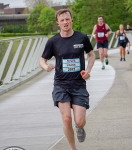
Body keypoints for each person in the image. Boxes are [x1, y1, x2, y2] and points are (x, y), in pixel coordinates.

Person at [40, 9, 95, 150]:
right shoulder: (53, 41)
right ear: (57, 23)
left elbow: (91, 55)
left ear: (71, 20)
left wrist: (88, 71)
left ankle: (80, 128)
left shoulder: (81, 38)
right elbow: (42, 59)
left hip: (78, 85)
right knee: (66, 118)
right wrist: (45, 66)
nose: (65, 22)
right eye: (62, 20)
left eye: (67, 19)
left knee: (80, 121)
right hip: (61, 84)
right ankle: (73, 148)